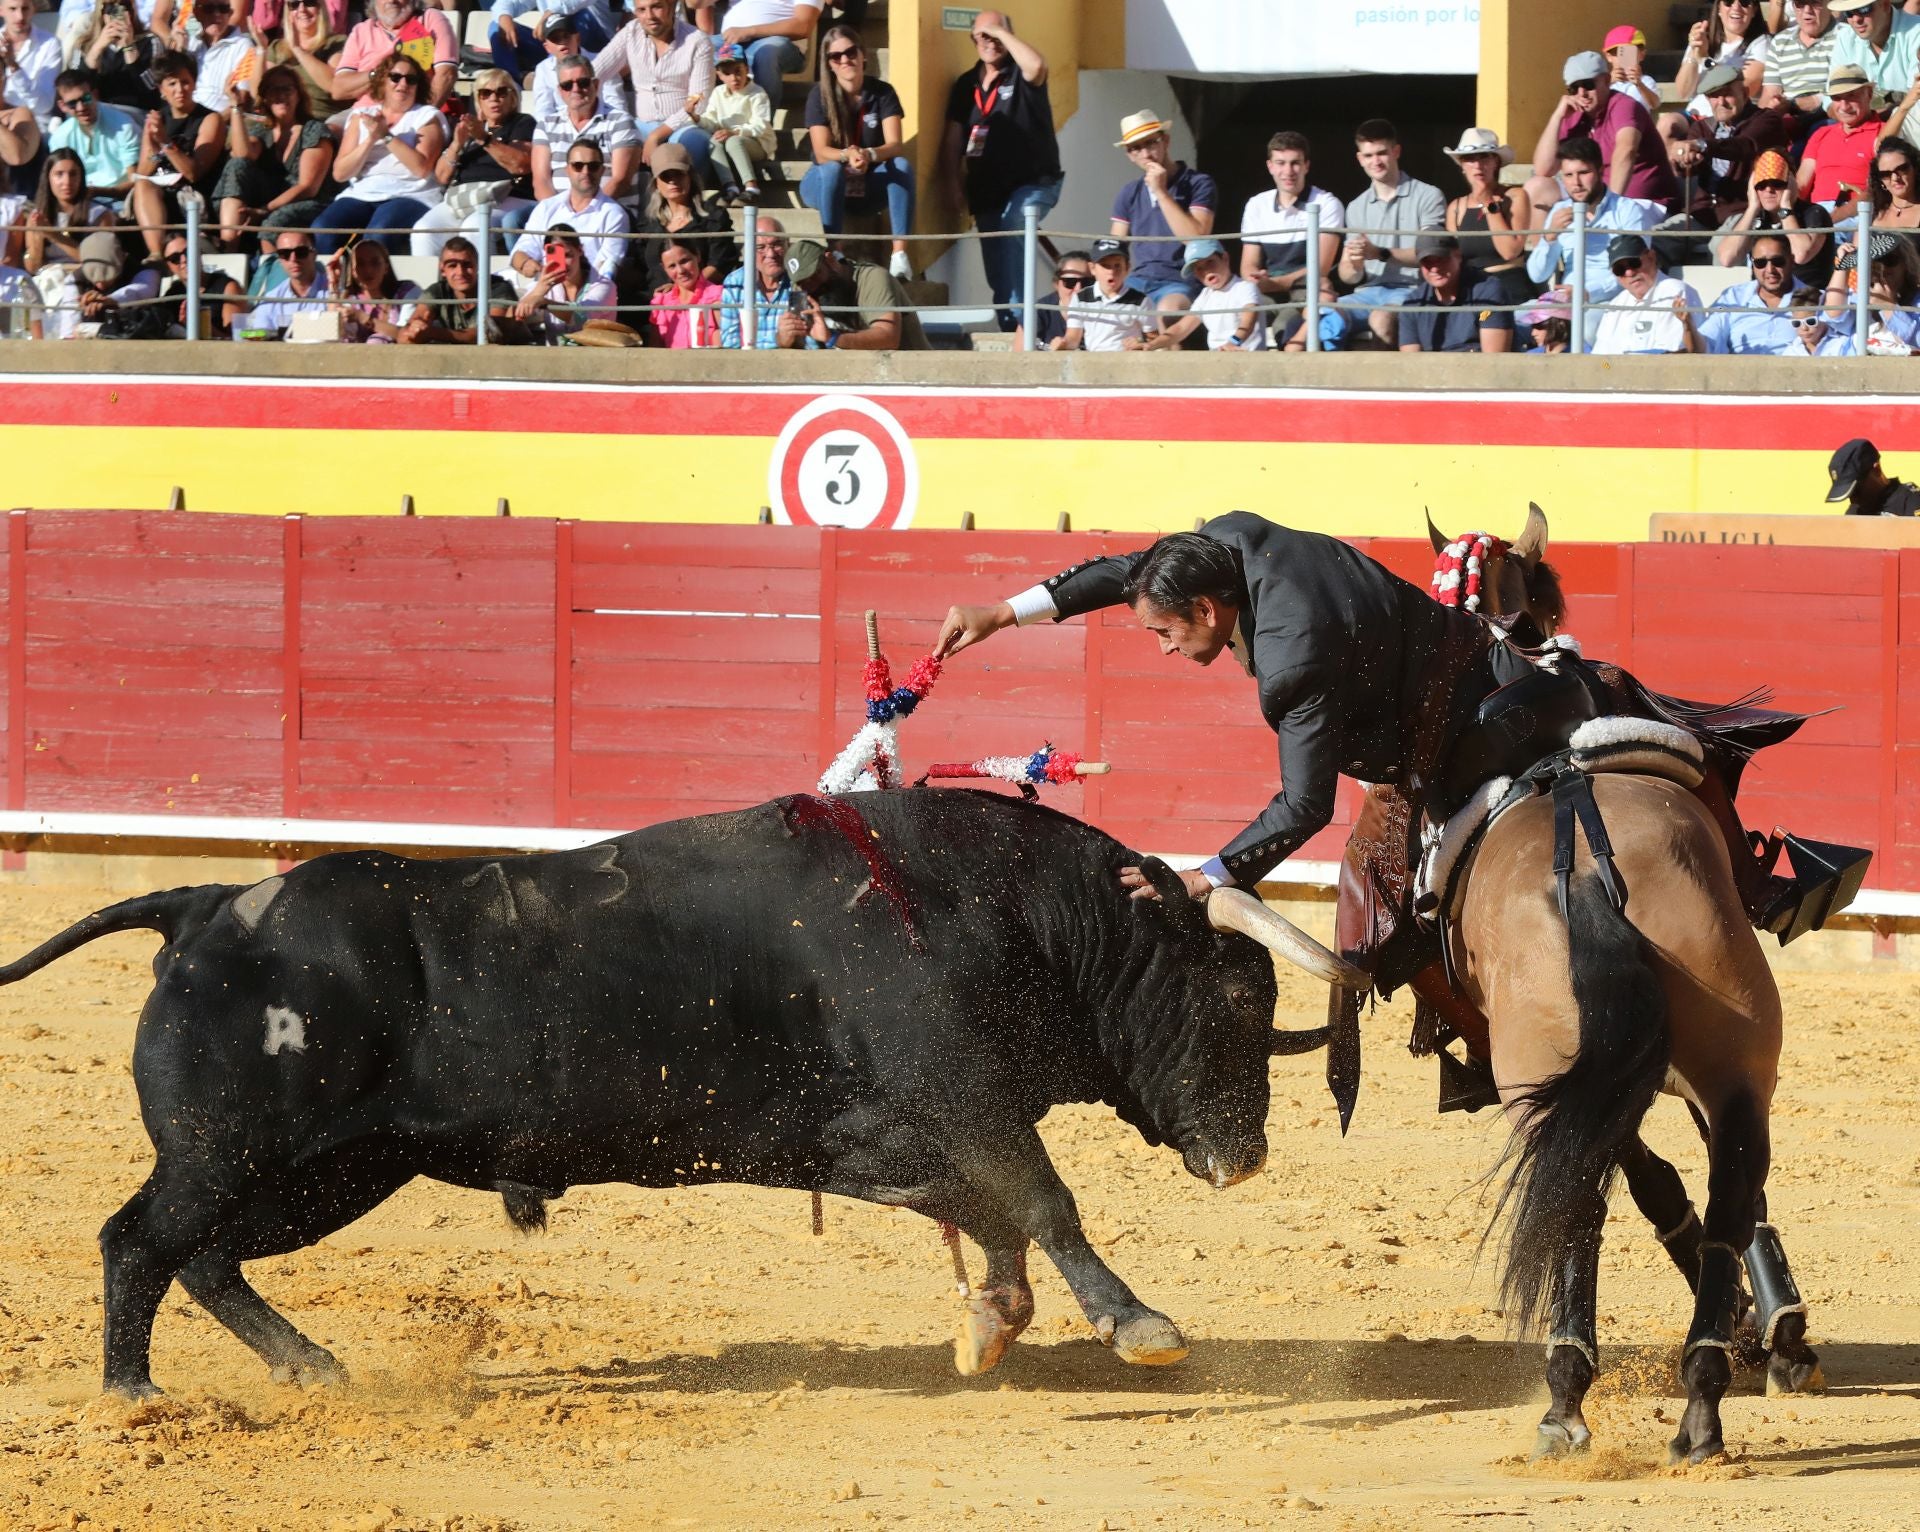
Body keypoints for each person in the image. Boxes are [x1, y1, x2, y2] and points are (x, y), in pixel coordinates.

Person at [930, 516, 1520, 903]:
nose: (1163, 647)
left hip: (1464, 726)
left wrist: (1206, 876)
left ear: (1208, 611)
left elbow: (1305, 805)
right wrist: (1004, 611)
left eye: (1165, 632)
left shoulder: (1293, 661)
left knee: (1408, 913)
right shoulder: (1224, 544)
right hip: (1438, 660)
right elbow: (1124, 573)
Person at [940, 10, 1060, 333]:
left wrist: (1001, 31)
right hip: (986, 189)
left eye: (997, 34)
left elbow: (1037, 66)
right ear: (973, 40)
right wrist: (952, 182)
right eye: (983, 35)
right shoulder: (967, 84)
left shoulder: (1021, 73)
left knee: (1014, 223)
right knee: (997, 267)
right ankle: (1011, 330)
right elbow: (953, 139)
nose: (990, 41)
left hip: (1034, 183)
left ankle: (1026, 327)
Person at [801, 25, 914, 280]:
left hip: (867, 183)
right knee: (830, 169)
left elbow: (895, 144)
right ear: (829, 63)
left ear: (863, 55)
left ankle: (899, 256)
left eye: (851, 52)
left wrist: (869, 155)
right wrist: (847, 155)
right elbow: (821, 152)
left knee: (902, 166)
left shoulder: (883, 92)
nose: (845, 60)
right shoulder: (819, 94)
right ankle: (835, 252)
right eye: (836, 56)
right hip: (824, 183)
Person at [314, 56, 445, 254]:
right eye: (395, 77)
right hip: (363, 192)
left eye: (411, 79)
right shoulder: (361, 116)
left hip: (411, 193)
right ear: (382, 81)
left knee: (378, 233)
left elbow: (421, 168)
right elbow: (340, 173)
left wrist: (386, 136)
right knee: (322, 229)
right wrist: (369, 140)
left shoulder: (427, 116)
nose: (403, 83)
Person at [1335, 116, 1445, 347]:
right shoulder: (1355, 207)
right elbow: (1349, 276)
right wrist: (1352, 265)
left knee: (1381, 318)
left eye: (1381, 153)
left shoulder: (1429, 196)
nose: (1376, 161)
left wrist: (1380, 253)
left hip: (1413, 290)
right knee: (1321, 316)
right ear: (1359, 159)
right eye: (1368, 155)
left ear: (1396, 151)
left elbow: (1431, 255)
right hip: (1365, 292)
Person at [410, 66, 536, 258]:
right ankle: (432, 287)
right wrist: (456, 145)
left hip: (506, 196)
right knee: (424, 230)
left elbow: (520, 164)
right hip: (465, 197)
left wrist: (484, 139)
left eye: (501, 92)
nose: (494, 98)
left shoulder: (522, 122)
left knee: (474, 227)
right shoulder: (470, 129)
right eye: (486, 93)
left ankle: (485, 286)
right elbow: (441, 177)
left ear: (513, 98)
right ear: (479, 101)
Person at [1527, 48, 1677, 210]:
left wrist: (1607, 208)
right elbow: (1544, 169)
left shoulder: (1624, 106)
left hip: (1641, 203)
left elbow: (1626, 151)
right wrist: (1556, 117)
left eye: (1588, 85)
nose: (1581, 93)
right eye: (1574, 88)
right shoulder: (1574, 115)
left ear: (1606, 80)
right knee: (1538, 187)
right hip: (1592, 200)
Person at [1108, 107, 1215, 329]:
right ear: (1129, 155)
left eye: (1150, 143)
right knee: (1108, 314)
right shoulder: (1129, 192)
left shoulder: (1199, 183)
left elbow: (1196, 238)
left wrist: (1161, 192)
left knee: (1167, 313)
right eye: (1136, 148)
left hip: (1181, 280)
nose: (1145, 154)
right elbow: (1115, 247)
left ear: (1165, 141)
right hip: (1138, 279)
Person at [1525, 137, 1662, 305]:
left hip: (1608, 301)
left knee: (1583, 326)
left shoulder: (1627, 209)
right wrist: (1550, 238)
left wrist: (1587, 293)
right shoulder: (1559, 211)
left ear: (1600, 171)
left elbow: (1637, 270)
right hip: (1564, 300)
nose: (1576, 183)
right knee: (1513, 318)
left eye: (1583, 173)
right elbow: (1537, 275)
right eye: (1568, 175)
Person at [593, 0, 714, 176]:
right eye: (641, 10)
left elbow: (698, 103)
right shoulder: (631, 32)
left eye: (656, 7)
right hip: (641, 125)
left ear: (671, 7)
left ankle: (691, 199)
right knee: (606, 141)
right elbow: (594, 73)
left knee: (694, 143)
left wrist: (656, 135)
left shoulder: (698, 41)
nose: (649, 16)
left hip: (684, 126)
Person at [1237, 131, 1341, 322]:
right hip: (1266, 292)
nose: (1288, 171)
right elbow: (1248, 265)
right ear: (1270, 166)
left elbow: (1321, 268)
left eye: (1295, 163)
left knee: (1289, 322)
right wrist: (1255, 278)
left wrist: (1274, 283)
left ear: (1306, 166)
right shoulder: (1256, 204)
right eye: (1281, 163)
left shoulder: (1327, 203)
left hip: (1305, 290)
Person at [125, 50, 219, 261]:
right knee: (143, 184)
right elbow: (144, 172)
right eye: (172, 84)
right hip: (161, 193)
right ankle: (157, 253)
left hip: (194, 196)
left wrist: (166, 143)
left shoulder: (209, 119)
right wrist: (152, 146)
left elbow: (195, 173)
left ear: (194, 83)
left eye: (185, 82)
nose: (179, 90)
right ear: (161, 90)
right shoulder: (158, 118)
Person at [1671, 63, 1790, 225]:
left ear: (1745, 93)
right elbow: (1687, 171)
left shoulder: (1766, 120)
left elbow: (1744, 146)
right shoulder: (1701, 128)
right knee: (1658, 238)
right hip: (1702, 214)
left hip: (1744, 213)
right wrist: (1683, 157)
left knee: (1719, 248)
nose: (1721, 102)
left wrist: (1703, 146)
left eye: (1727, 94)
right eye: (1714, 96)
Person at [778, 234, 928, 350]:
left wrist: (833, 338)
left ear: (830, 260)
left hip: (909, 375)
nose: (812, 286)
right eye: (802, 282)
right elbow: (796, 342)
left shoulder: (872, 277)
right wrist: (785, 337)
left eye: (815, 275)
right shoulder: (804, 291)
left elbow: (888, 337)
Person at [625, 138, 733, 292]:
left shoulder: (713, 217)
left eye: (678, 174)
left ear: (690, 177)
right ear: (656, 184)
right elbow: (640, 268)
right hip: (654, 303)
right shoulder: (647, 223)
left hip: (698, 300)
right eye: (666, 176)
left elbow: (719, 264)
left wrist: (679, 290)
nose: (673, 181)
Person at [1440, 125, 1532, 307]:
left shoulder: (1515, 197)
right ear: (1462, 166)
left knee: (1486, 319)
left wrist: (1489, 205)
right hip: (1471, 290)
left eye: (1484, 157)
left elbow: (1509, 251)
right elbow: (1453, 259)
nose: (1477, 165)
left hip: (1507, 288)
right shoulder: (1456, 208)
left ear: (1496, 162)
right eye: (1469, 159)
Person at [1714, 148, 1833, 286]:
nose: (1768, 190)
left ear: (1791, 182)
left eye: (1777, 183)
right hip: (1763, 300)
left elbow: (1801, 255)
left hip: (1805, 299)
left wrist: (1785, 207)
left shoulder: (1814, 212)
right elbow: (1727, 259)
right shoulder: (1756, 217)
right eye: (1761, 184)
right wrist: (1752, 207)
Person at [513, 139, 628, 283]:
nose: (585, 172)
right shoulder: (546, 207)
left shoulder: (614, 214)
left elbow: (607, 268)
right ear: (567, 170)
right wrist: (526, 263)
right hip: (545, 289)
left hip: (590, 293)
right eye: (578, 166)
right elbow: (520, 251)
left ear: (602, 170)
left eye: (593, 166)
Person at [530, 52, 640, 202]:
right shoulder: (546, 125)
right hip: (558, 214)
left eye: (582, 82)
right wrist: (557, 214)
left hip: (608, 210)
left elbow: (620, 180)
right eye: (567, 85)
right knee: (513, 219)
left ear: (595, 84)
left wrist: (584, 213)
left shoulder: (619, 121)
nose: (575, 89)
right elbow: (541, 181)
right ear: (560, 91)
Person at [1396, 232, 1512, 354]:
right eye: (1427, 262)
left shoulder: (1488, 293)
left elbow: (1493, 359)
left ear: (1458, 256)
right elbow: (1411, 363)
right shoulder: (1413, 304)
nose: (1435, 268)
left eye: (1441, 259)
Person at [1828, 0, 1920, 151]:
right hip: (1860, 125)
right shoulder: (1845, 37)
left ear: (1884, 4)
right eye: (1849, 12)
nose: (1856, 19)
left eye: (1864, 9)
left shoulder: (1916, 31)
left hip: (1905, 128)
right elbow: (1831, 102)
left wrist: (1862, 105)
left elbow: (1915, 102)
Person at [1591, 233, 1705, 355]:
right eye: (1619, 269)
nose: (1629, 273)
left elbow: (1676, 355)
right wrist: (1606, 370)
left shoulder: (1675, 292)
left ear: (1651, 257)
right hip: (1614, 372)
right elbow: (1601, 361)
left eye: (1634, 263)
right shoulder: (1614, 306)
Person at [1144, 237, 1262, 351]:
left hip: (1247, 358)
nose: (1206, 271)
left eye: (1210, 262)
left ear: (1225, 258)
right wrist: (1150, 346)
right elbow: (1181, 328)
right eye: (1198, 268)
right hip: (1217, 361)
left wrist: (1233, 343)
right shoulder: (1205, 295)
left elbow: (1248, 322)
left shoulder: (1245, 287)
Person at [330, 0, 455, 107]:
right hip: (365, 112)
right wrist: (377, 73)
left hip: (415, 110)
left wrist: (421, 116)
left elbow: (447, 74)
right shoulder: (361, 31)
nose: (391, 0)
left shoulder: (429, 19)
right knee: (325, 130)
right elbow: (339, 89)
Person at [1699, 232, 1807, 352]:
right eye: (1760, 263)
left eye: (1778, 261)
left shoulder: (1817, 300)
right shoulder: (1732, 298)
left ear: (1792, 261)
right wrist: (1687, 327)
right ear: (1752, 264)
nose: (1770, 270)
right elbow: (1707, 340)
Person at [47, 66, 140, 201]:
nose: (81, 108)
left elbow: (135, 181)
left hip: (121, 198)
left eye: (85, 98)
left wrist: (97, 192)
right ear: (62, 106)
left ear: (95, 95)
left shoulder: (124, 126)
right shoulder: (59, 138)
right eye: (72, 103)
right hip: (78, 200)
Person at [514, 222, 616, 341]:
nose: (563, 264)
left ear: (580, 250)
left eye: (568, 255)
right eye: (556, 257)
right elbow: (519, 316)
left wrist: (544, 301)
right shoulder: (542, 286)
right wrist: (538, 291)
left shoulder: (604, 286)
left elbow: (582, 318)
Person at [1798, 62, 1880, 208]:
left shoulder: (1883, 132)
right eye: (1837, 98)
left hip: (1860, 212)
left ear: (1869, 94)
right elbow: (1802, 184)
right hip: (1817, 214)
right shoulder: (1821, 134)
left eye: (1852, 96)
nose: (1844, 106)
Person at [700, 41, 773, 205]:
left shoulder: (757, 94)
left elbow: (760, 126)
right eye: (727, 73)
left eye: (738, 71)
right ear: (719, 75)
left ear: (747, 69)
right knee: (714, 141)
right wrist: (695, 117)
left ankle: (752, 187)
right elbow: (711, 121)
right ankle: (730, 187)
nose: (734, 78)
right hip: (730, 141)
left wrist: (734, 132)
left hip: (757, 143)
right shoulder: (718, 93)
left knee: (733, 141)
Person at [1821, 229, 1920, 349]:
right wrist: (1844, 265)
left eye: (1890, 260)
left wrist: (1887, 306)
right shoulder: (1863, 295)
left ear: (1906, 263)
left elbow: (1916, 340)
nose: (1883, 268)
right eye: (1876, 261)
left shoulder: (1917, 300)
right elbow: (1833, 316)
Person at [400, 233, 502, 342]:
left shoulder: (498, 288)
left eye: (467, 265)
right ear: (442, 270)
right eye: (452, 265)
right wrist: (415, 330)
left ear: (478, 266)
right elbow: (404, 336)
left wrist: (431, 332)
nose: (460, 272)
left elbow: (487, 335)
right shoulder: (437, 291)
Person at [1676, 0, 1773, 112]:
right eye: (1728, 1)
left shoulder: (1762, 43)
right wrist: (1694, 54)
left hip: (1729, 117)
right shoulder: (1703, 38)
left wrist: (1704, 60)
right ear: (1718, 8)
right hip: (1694, 114)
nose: (1736, 7)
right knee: (1668, 122)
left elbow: (1746, 88)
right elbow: (1683, 92)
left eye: (1745, 2)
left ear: (1754, 10)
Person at [717, 0, 818, 106]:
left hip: (779, 43)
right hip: (729, 41)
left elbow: (803, 26)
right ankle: (699, 117)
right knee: (702, 44)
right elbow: (698, 4)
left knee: (767, 53)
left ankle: (762, 121)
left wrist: (748, 31)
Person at [231, 227, 327, 334]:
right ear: (279, 259)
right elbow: (259, 337)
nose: (293, 259)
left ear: (314, 254)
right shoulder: (271, 299)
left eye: (301, 252)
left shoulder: (335, 293)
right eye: (285, 253)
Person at [488, 0, 615, 81]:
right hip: (553, 44)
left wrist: (550, 13)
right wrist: (505, 17)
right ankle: (512, 84)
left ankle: (561, 77)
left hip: (597, 41)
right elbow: (506, 3)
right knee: (496, 26)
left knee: (577, 19)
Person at [1061, 235, 1145, 352]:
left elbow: (1153, 338)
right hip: (1095, 362)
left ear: (1127, 268)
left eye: (1117, 265)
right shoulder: (1080, 298)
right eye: (1105, 265)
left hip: (1128, 362)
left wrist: (1140, 343)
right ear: (1092, 268)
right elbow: (1073, 338)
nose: (1111, 271)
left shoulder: (1140, 300)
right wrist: (1062, 344)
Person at [717, 210, 789, 348]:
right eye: (760, 247)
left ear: (788, 245)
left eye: (776, 244)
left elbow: (810, 343)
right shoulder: (735, 283)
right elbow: (729, 342)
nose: (771, 254)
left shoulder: (798, 281)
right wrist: (779, 341)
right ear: (749, 251)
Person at [268, 0, 348, 121]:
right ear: (287, 12)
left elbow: (333, 85)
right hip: (281, 120)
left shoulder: (337, 42)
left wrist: (298, 50)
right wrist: (259, 50)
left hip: (319, 118)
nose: (301, 9)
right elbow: (257, 92)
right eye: (294, 5)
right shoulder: (277, 47)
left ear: (320, 7)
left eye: (309, 3)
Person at [172, 0, 256, 115]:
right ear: (196, 13)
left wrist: (213, 123)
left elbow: (242, 98)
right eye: (209, 9)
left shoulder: (244, 46)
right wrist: (179, 48)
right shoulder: (191, 45)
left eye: (223, 8)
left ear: (230, 13)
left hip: (221, 123)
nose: (217, 14)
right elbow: (174, 88)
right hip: (189, 121)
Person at [1, 0, 61, 157]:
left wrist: (13, 66)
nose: (20, 16)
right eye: (13, 9)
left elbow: (44, 105)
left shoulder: (50, 44)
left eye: (25, 9)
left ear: (33, 9)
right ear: (1, 10)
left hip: (34, 126)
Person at [331, 235, 420, 341]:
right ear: (353, 271)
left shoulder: (407, 292)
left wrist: (362, 317)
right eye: (360, 264)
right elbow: (331, 331)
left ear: (386, 267)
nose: (368, 270)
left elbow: (406, 336)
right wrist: (333, 283)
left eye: (375, 263)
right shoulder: (349, 297)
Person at [1760, 0, 1838, 119]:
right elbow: (1769, 94)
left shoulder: (1844, 36)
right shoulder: (1780, 41)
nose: (1807, 10)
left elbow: (1851, 92)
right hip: (1786, 118)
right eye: (1800, 3)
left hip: (1828, 116)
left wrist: (1801, 103)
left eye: (1815, 3)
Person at [157, 227, 241, 335]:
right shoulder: (172, 294)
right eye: (175, 258)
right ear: (169, 267)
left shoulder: (228, 288)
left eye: (188, 252)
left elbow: (235, 341)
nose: (184, 259)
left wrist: (199, 324)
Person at [83, 0, 163, 111]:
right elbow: (75, 89)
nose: (119, 14)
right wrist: (97, 49)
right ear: (103, 14)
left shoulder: (150, 42)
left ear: (132, 11)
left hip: (137, 113)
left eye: (125, 6)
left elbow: (153, 88)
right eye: (111, 8)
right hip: (99, 112)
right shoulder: (85, 45)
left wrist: (129, 47)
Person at [645, 231, 721, 345]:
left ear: (698, 256)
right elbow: (655, 350)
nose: (680, 271)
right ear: (664, 268)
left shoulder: (718, 296)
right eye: (672, 266)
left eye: (684, 261)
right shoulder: (661, 303)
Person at [1012, 247, 1089, 351]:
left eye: (1087, 282)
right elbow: (1018, 358)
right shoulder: (1037, 312)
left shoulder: (1106, 313)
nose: (1078, 289)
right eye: (1070, 282)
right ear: (1056, 284)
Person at [1826, 435, 1920, 512]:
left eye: (1856, 490)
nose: (1853, 500)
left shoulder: (1911, 502)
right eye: (1849, 494)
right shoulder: (1855, 512)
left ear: (1876, 469)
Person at [1604, 22, 1661, 116]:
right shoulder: (1604, 82)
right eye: (1617, 53)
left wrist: (1639, 84)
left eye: (1629, 53)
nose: (1623, 58)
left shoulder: (1646, 81)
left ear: (1641, 55)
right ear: (1609, 57)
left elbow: (1654, 104)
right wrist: (1608, 82)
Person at [1784, 284, 1859, 351]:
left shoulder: (1842, 344)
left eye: (1811, 321)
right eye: (1796, 323)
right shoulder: (1791, 350)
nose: (1804, 328)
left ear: (1823, 316)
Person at [1870, 136, 1920, 228]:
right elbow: (1859, 242)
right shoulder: (1871, 213)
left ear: (1915, 168)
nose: (1895, 178)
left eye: (1901, 169)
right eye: (1885, 174)